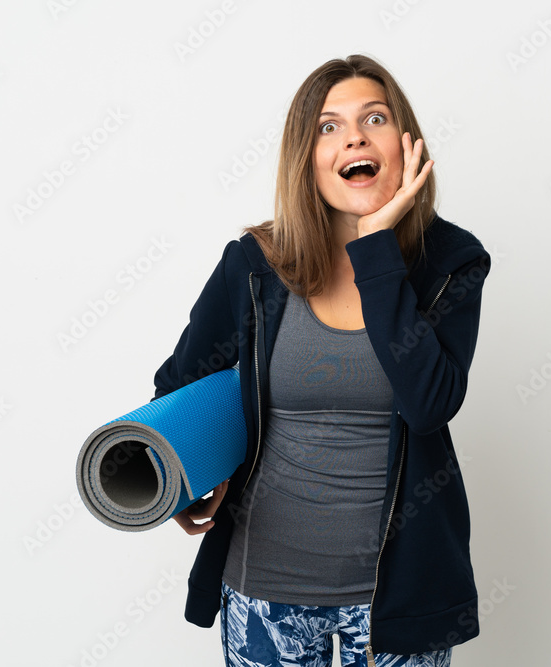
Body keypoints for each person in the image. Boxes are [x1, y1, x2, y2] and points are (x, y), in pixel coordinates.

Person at [152, 54, 491, 667]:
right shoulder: (255, 263)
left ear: (406, 144)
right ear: (306, 159)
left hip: (396, 601)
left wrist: (378, 250)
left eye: (375, 118)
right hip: (264, 588)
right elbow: (180, 387)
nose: (354, 135)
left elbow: (430, 403)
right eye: (328, 126)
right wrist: (184, 485)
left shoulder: (452, 262)